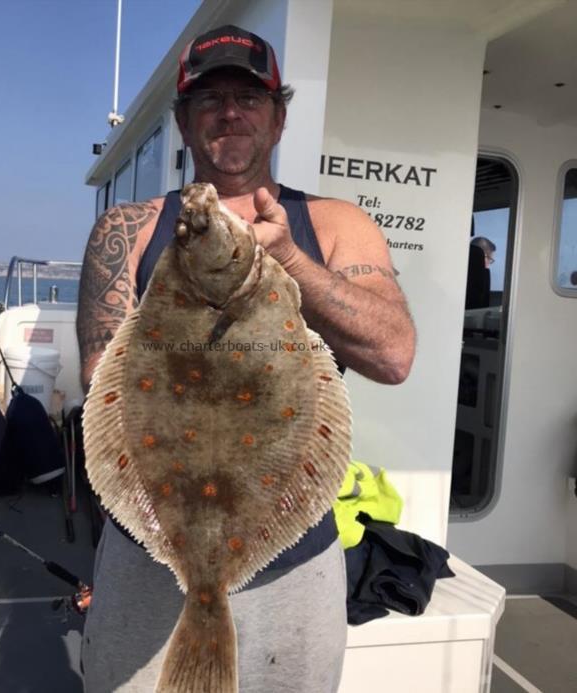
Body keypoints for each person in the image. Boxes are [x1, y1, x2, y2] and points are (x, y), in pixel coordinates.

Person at [77, 24, 415, 693]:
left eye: (248, 97)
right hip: (149, 559)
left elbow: (394, 352)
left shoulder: (333, 225)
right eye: (209, 99)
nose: (229, 111)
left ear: (278, 116)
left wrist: (287, 261)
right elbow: (100, 386)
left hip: (294, 561)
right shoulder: (129, 230)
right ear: (182, 121)